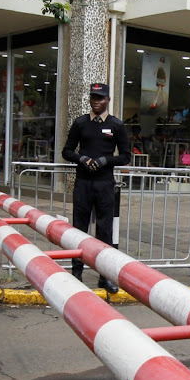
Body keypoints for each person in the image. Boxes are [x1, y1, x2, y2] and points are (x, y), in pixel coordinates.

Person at [62, 83, 130, 294]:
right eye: (93, 97)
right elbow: (67, 151)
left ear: (108, 99)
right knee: (79, 230)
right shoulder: (81, 122)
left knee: (104, 232)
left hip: (104, 185)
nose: (96, 101)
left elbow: (126, 156)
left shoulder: (117, 125)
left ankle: (104, 276)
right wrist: (82, 158)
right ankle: (77, 273)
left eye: (100, 98)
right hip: (82, 183)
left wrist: (104, 161)